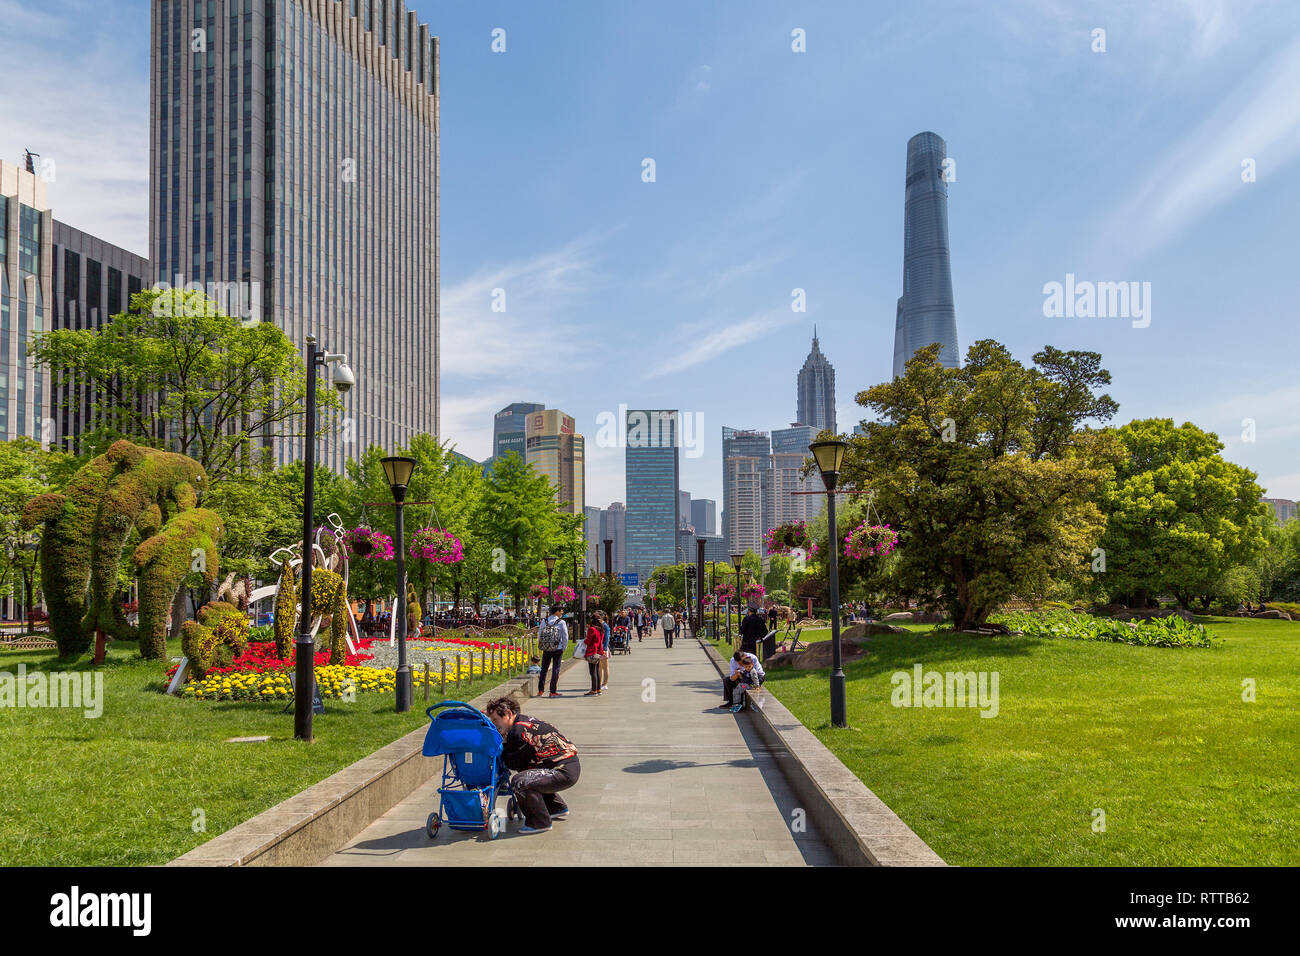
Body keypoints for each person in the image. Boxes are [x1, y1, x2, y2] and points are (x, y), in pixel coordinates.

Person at [485, 696, 580, 834]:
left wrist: (502, 747)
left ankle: (539, 822)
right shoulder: (521, 722)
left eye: (495, 720)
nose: (494, 725)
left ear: (508, 714)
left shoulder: (518, 732)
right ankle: (555, 808)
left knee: (520, 781)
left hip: (563, 770)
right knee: (530, 774)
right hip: (565, 766)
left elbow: (514, 762)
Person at [536, 605, 568, 698]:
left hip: (546, 648)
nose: (562, 612)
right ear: (557, 611)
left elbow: (540, 634)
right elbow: (565, 636)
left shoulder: (544, 621)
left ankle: (540, 690)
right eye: (561, 611)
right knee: (555, 669)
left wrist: (542, 645)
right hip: (557, 648)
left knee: (544, 669)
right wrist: (564, 647)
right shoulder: (561, 622)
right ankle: (552, 691)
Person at [584, 612, 606, 695]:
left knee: (592, 672)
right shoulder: (601, 629)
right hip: (598, 652)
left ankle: (593, 690)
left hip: (592, 652)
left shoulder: (592, 629)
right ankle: (598, 688)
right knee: (596, 671)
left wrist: (584, 641)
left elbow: (588, 641)